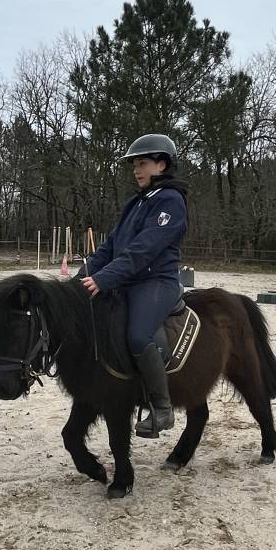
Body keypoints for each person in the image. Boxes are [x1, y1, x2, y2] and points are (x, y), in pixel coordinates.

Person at [80, 133, 189, 437]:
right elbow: (110, 247)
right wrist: (81, 277)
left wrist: (103, 279)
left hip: (156, 281)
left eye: (142, 163)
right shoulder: (136, 202)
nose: (136, 170)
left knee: (138, 336)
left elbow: (143, 249)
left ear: (161, 164)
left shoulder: (171, 201)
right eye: (134, 165)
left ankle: (162, 408)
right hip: (127, 280)